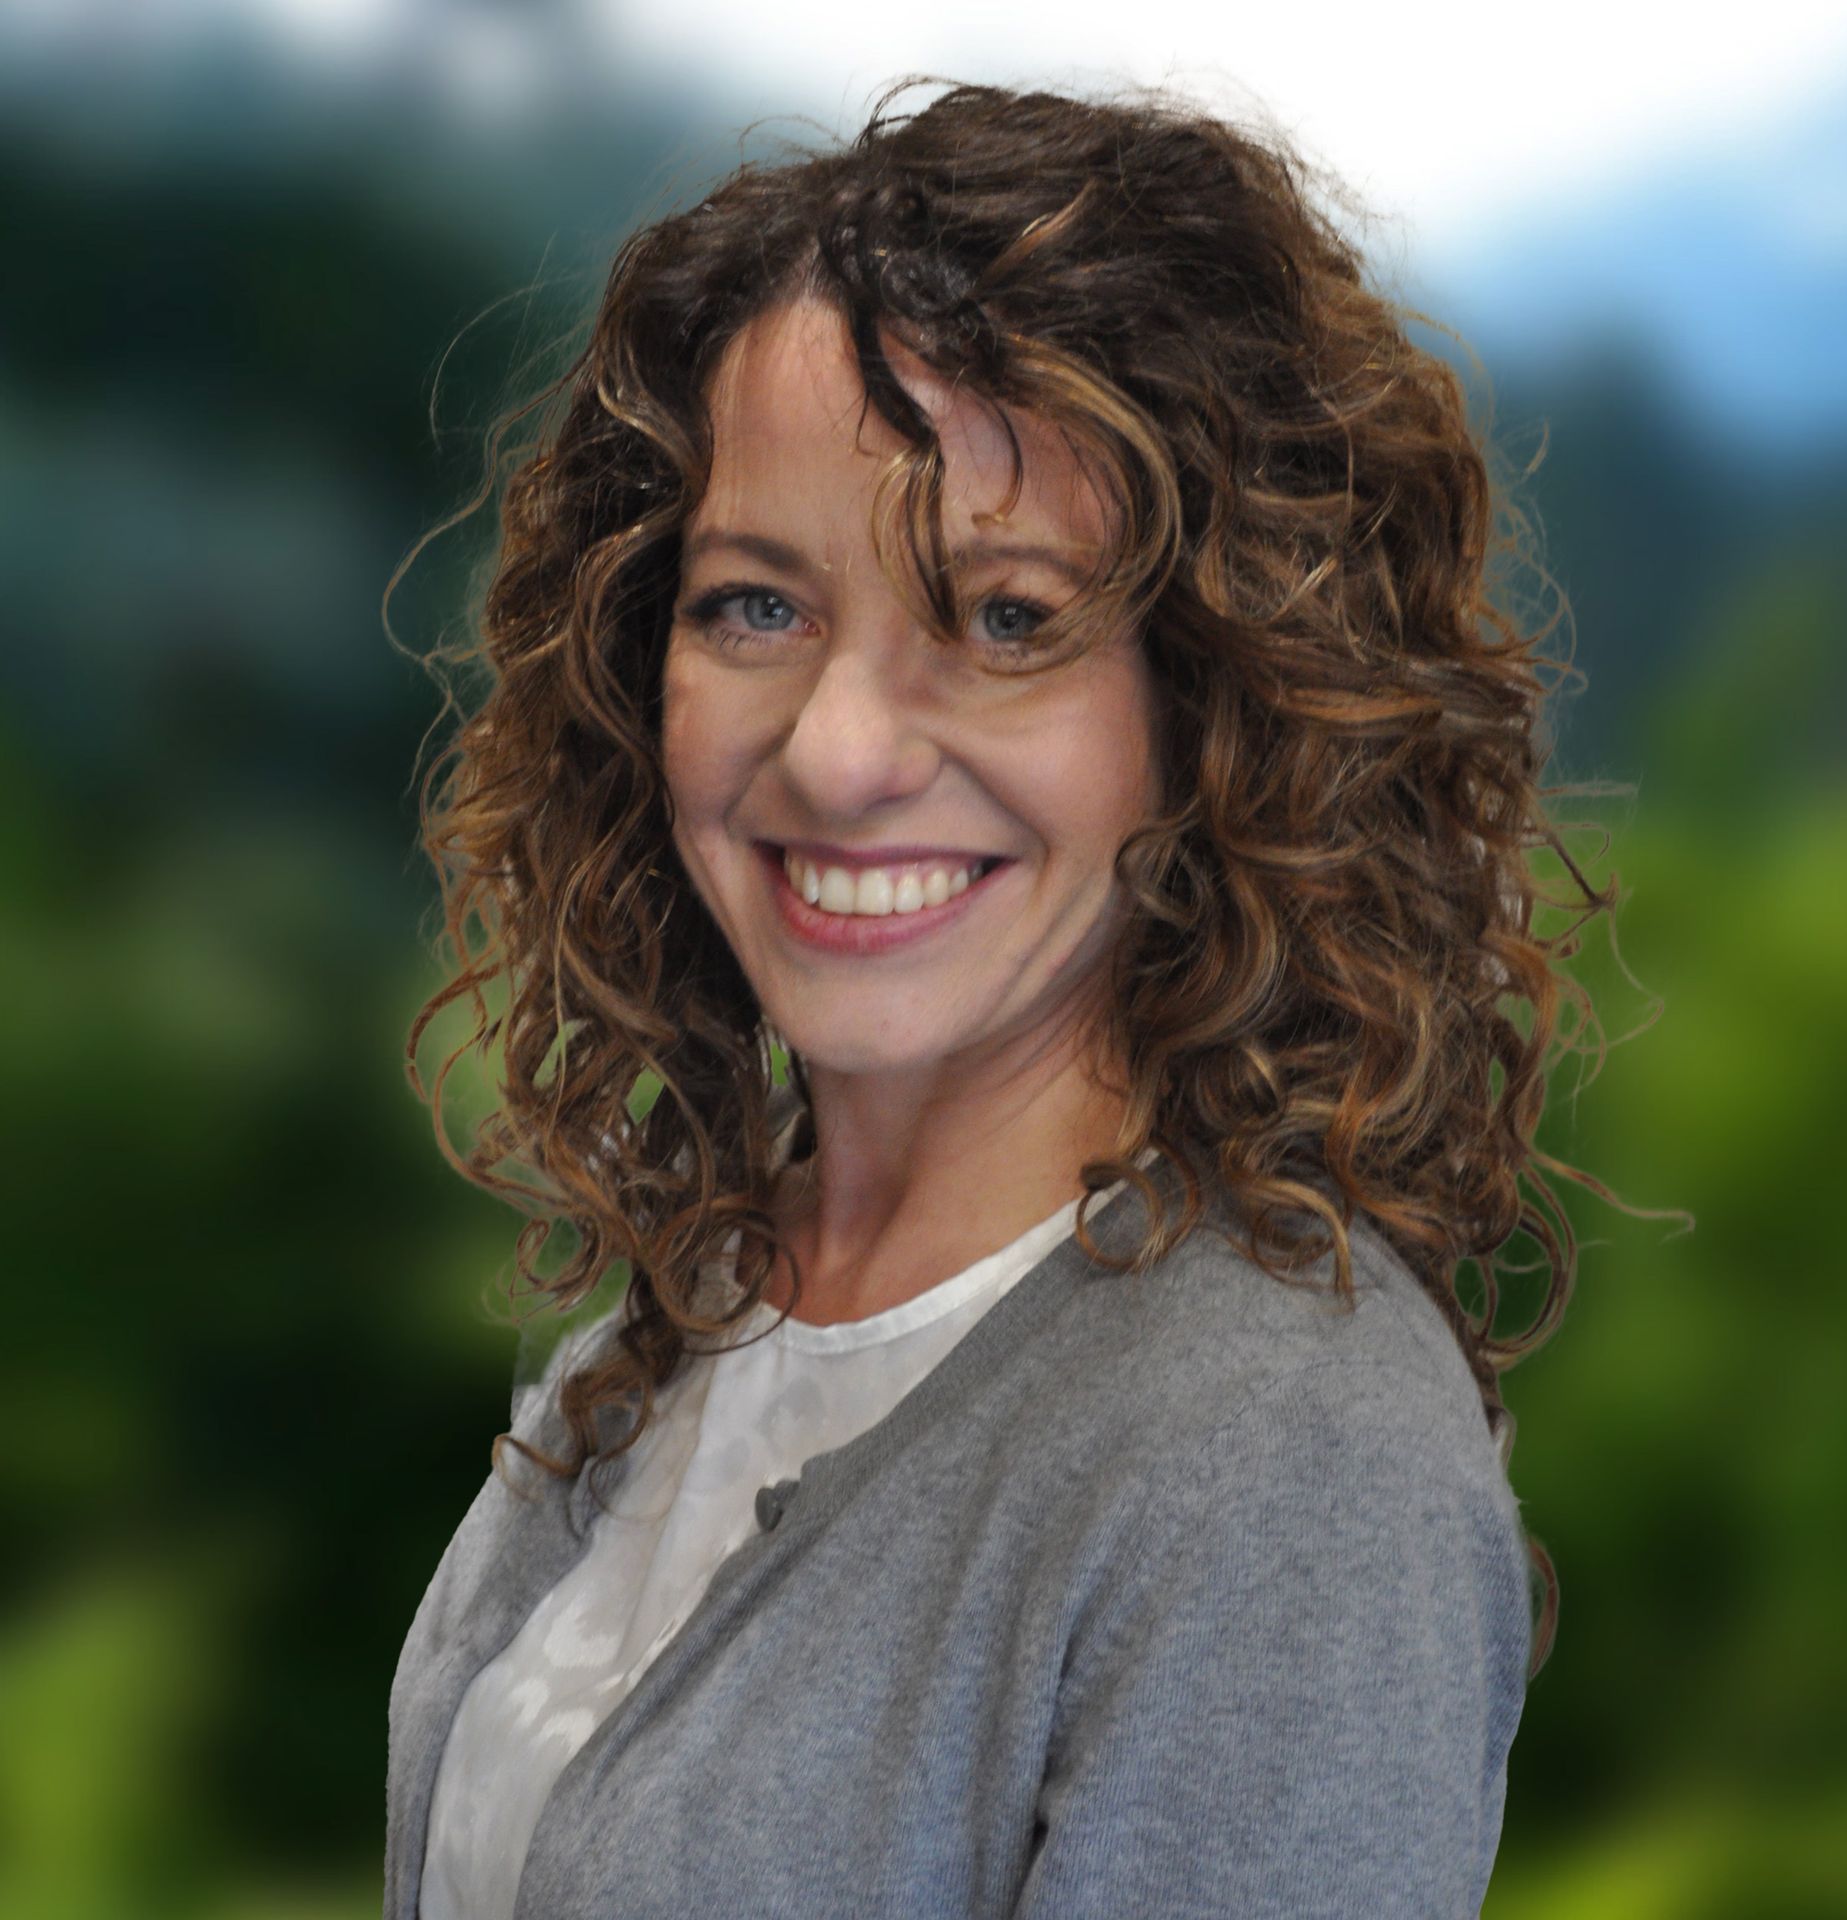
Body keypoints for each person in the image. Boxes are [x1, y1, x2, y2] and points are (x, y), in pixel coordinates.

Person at [387, 76, 1626, 1919]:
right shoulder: (681, 1327)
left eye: (1007, 618)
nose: (841, 751)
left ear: (1218, 706)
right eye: (753, 606)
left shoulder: (1284, 1467)